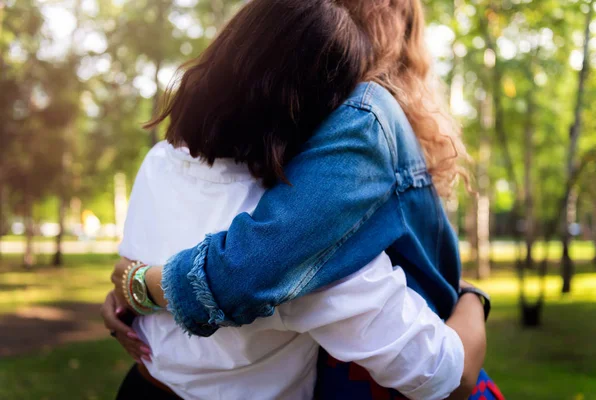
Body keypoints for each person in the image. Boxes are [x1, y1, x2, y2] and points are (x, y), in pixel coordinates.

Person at [104, 0, 502, 398]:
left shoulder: (160, 163)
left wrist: (133, 284)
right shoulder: (304, 246)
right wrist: (471, 297)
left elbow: (135, 266)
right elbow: (449, 375)